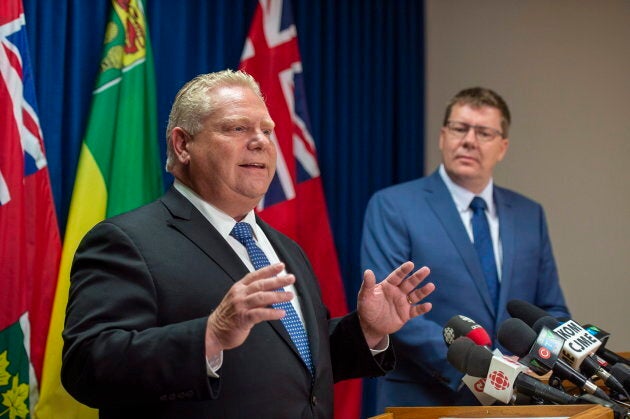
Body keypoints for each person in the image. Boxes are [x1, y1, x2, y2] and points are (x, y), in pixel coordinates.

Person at [61, 69, 436, 419]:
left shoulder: (286, 248)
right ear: (183, 144)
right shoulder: (128, 241)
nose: (259, 141)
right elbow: (88, 367)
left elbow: (293, 362)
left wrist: (367, 330)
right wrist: (209, 335)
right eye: (237, 128)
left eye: (267, 131)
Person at [361, 87, 570, 410]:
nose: (469, 140)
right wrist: (488, 371)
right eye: (460, 128)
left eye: (484, 132)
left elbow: (551, 311)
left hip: (522, 401)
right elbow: (392, 312)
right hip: (425, 400)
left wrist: (536, 369)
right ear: (443, 136)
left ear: (502, 147)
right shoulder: (393, 206)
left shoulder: (530, 215)